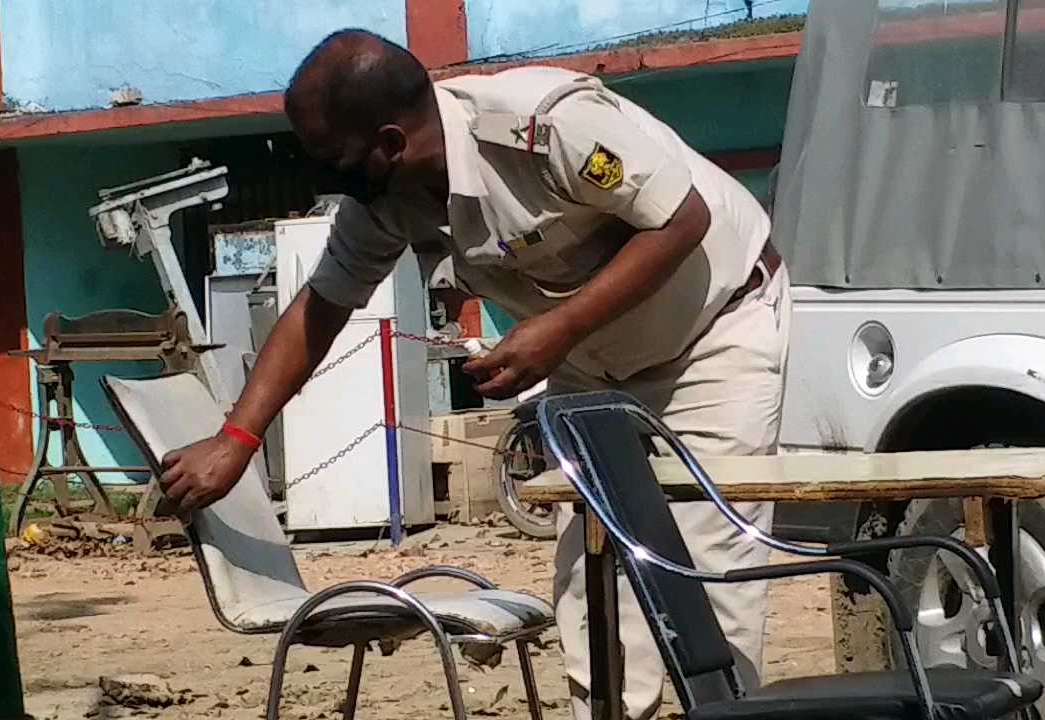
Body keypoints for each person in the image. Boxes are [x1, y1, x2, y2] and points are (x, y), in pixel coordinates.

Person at [160, 29, 790, 720]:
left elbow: (680, 220)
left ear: (391, 143)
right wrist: (237, 440)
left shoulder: (545, 125)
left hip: (715, 331)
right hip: (592, 362)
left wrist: (557, 330)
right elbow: (320, 307)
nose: (319, 178)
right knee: (591, 571)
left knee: (709, 567)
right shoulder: (387, 200)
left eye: (328, 159)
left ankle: (731, 711)